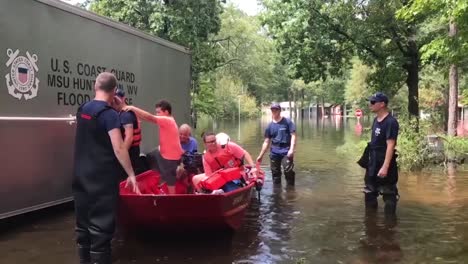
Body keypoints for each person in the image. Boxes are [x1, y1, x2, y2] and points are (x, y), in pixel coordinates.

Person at [72, 72, 139, 264]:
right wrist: (131, 174)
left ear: (95, 86)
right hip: (101, 179)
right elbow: (119, 148)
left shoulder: (83, 109)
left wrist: (111, 106)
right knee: (101, 229)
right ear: (114, 91)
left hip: (80, 175)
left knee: (82, 227)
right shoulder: (109, 115)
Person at [123, 100, 183, 194]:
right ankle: (160, 180)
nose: (157, 114)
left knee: (171, 184)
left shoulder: (167, 120)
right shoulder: (168, 121)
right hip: (165, 153)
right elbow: (147, 118)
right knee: (150, 156)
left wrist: (132, 108)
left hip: (169, 158)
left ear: (166, 112)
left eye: (159, 112)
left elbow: (149, 117)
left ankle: (172, 202)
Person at [360, 92, 399, 216]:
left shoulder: (391, 122)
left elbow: (391, 145)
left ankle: (389, 226)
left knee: (389, 194)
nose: (370, 105)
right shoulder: (376, 120)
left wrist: (385, 167)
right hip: (373, 161)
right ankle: (371, 225)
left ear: (382, 104)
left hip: (385, 161)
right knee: (369, 192)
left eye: (373, 102)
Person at [192, 132, 256, 192]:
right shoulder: (206, 158)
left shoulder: (229, 146)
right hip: (221, 178)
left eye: (214, 141)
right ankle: (207, 194)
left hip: (237, 174)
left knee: (230, 185)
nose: (213, 143)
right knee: (196, 179)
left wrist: (253, 168)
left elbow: (245, 154)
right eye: (211, 142)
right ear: (205, 144)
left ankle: (234, 190)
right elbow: (209, 175)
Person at [256, 103, 297, 186]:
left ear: (279, 110)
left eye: (276, 109)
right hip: (274, 152)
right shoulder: (270, 126)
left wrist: (291, 149)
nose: (274, 111)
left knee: (288, 171)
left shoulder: (287, 122)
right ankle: (277, 194)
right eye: (272, 109)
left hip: (286, 150)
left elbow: (293, 135)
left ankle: (291, 192)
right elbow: (266, 141)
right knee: (275, 174)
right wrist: (261, 155)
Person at [113, 88, 145, 175]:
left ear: (123, 99)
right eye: (113, 98)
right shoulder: (121, 113)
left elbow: (129, 138)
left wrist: (120, 155)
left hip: (130, 154)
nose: (115, 101)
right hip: (132, 153)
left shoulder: (126, 115)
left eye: (117, 98)